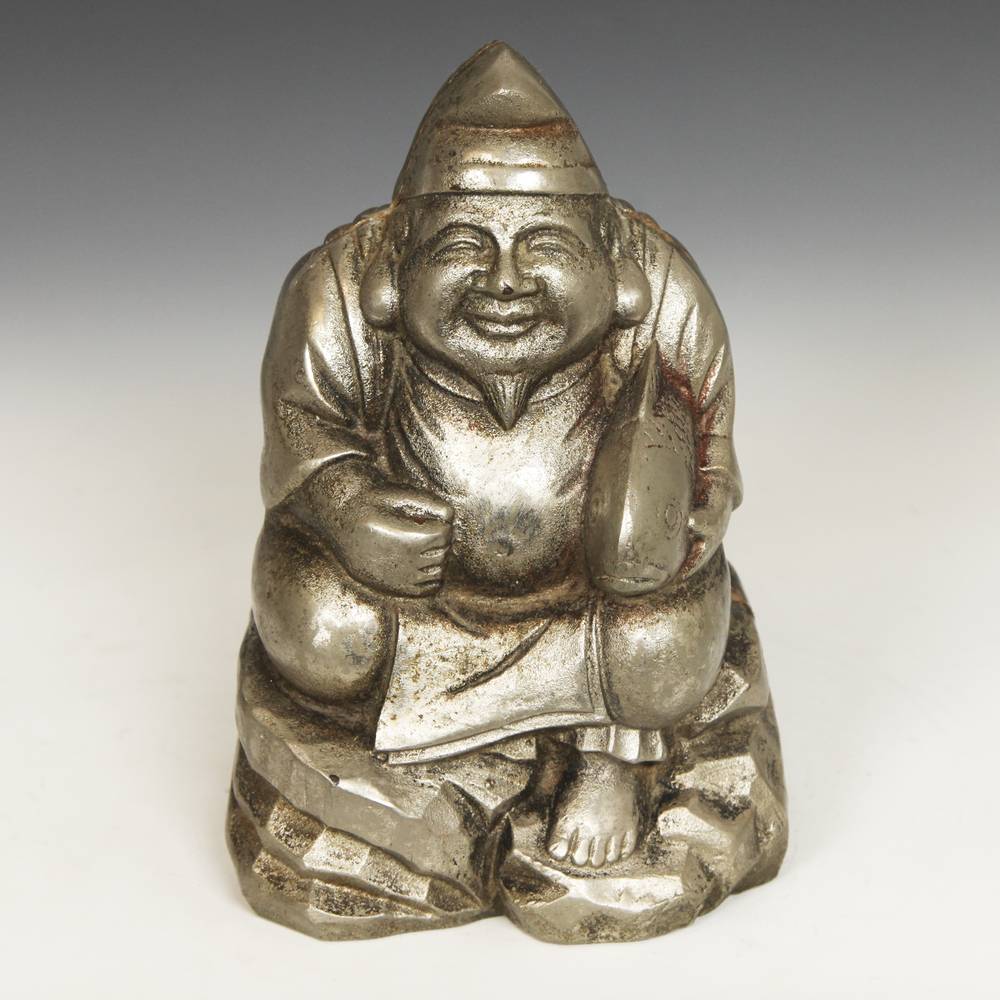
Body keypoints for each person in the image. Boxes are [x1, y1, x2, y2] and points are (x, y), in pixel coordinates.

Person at [251, 42, 741, 869]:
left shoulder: (663, 292)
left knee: (666, 641)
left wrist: (696, 507)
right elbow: (300, 427)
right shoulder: (335, 289)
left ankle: (609, 756)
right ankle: (434, 745)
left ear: (614, 269)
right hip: (410, 607)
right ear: (394, 270)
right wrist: (345, 506)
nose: (505, 282)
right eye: (462, 247)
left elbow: (711, 445)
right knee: (316, 626)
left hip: (588, 609)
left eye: (546, 245)